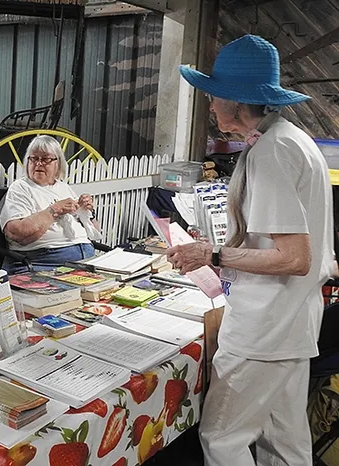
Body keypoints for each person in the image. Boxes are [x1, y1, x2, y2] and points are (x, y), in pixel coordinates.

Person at [167, 34, 335, 466]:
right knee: (285, 443)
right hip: (291, 327)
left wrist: (213, 255)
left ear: (238, 101)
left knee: (222, 439)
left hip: (264, 330)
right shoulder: (290, 140)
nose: (209, 105)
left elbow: (294, 258)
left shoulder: (273, 152)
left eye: (213, 96)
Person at [0, 135, 98, 274]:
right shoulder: (21, 188)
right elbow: (16, 231)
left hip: (85, 258)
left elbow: (94, 231)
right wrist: (55, 209)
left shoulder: (63, 187)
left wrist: (88, 211)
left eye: (45, 159)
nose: (39, 163)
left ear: (58, 164)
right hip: (44, 261)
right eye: (34, 158)